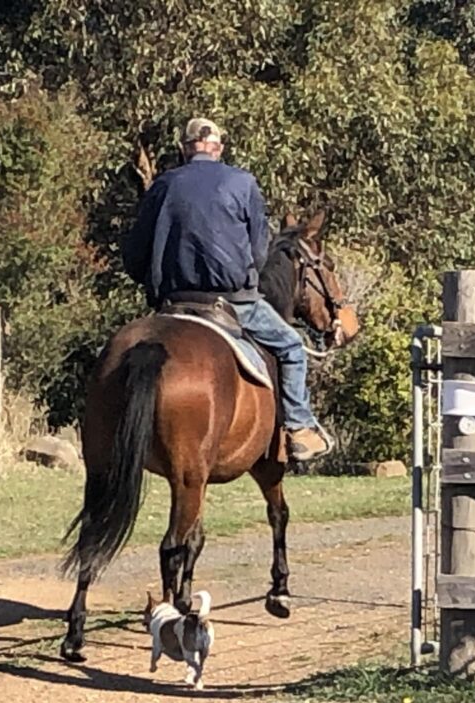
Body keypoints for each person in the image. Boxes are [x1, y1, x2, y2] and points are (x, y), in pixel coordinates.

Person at [123, 117, 331, 461]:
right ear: (219, 148)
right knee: (293, 347)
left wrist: (154, 284)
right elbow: (259, 251)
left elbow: (135, 253)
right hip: (233, 301)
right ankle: (299, 427)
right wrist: (245, 278)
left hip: (173, 302)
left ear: (184, 149)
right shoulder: (242, 182)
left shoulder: (162, 185)